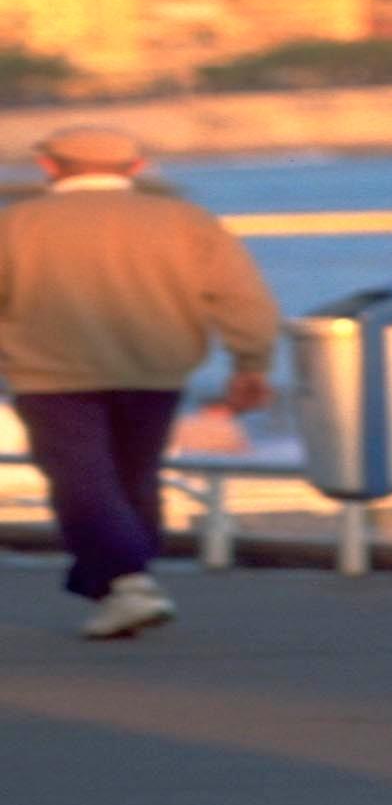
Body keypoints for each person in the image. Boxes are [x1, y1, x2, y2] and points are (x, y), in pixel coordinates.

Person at [0, 124, 280, 640]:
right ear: (135, 168)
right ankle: (126, 583)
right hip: (156, 371)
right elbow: (244, 300)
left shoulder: (15, 225)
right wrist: (251, 364)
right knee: (134, 477)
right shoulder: (186, 222)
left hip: (49, 376)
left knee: (81, 480)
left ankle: (127, 582)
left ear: (48, 166)